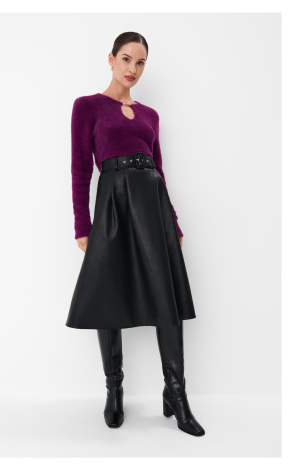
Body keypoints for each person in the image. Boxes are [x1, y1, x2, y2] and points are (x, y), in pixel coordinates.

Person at [66, 32, 205, 437]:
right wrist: (82, 225)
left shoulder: (150, 116)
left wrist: (173, 222)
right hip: (113, 208)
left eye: (140, 62)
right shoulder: (87, 106)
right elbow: (80, 168)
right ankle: (114, 389)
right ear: (110, 59)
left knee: (166, 295)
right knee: (106, 292)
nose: (133, 69)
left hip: (153, 209)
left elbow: (159, 171)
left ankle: (176, 394)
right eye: (126, 59)